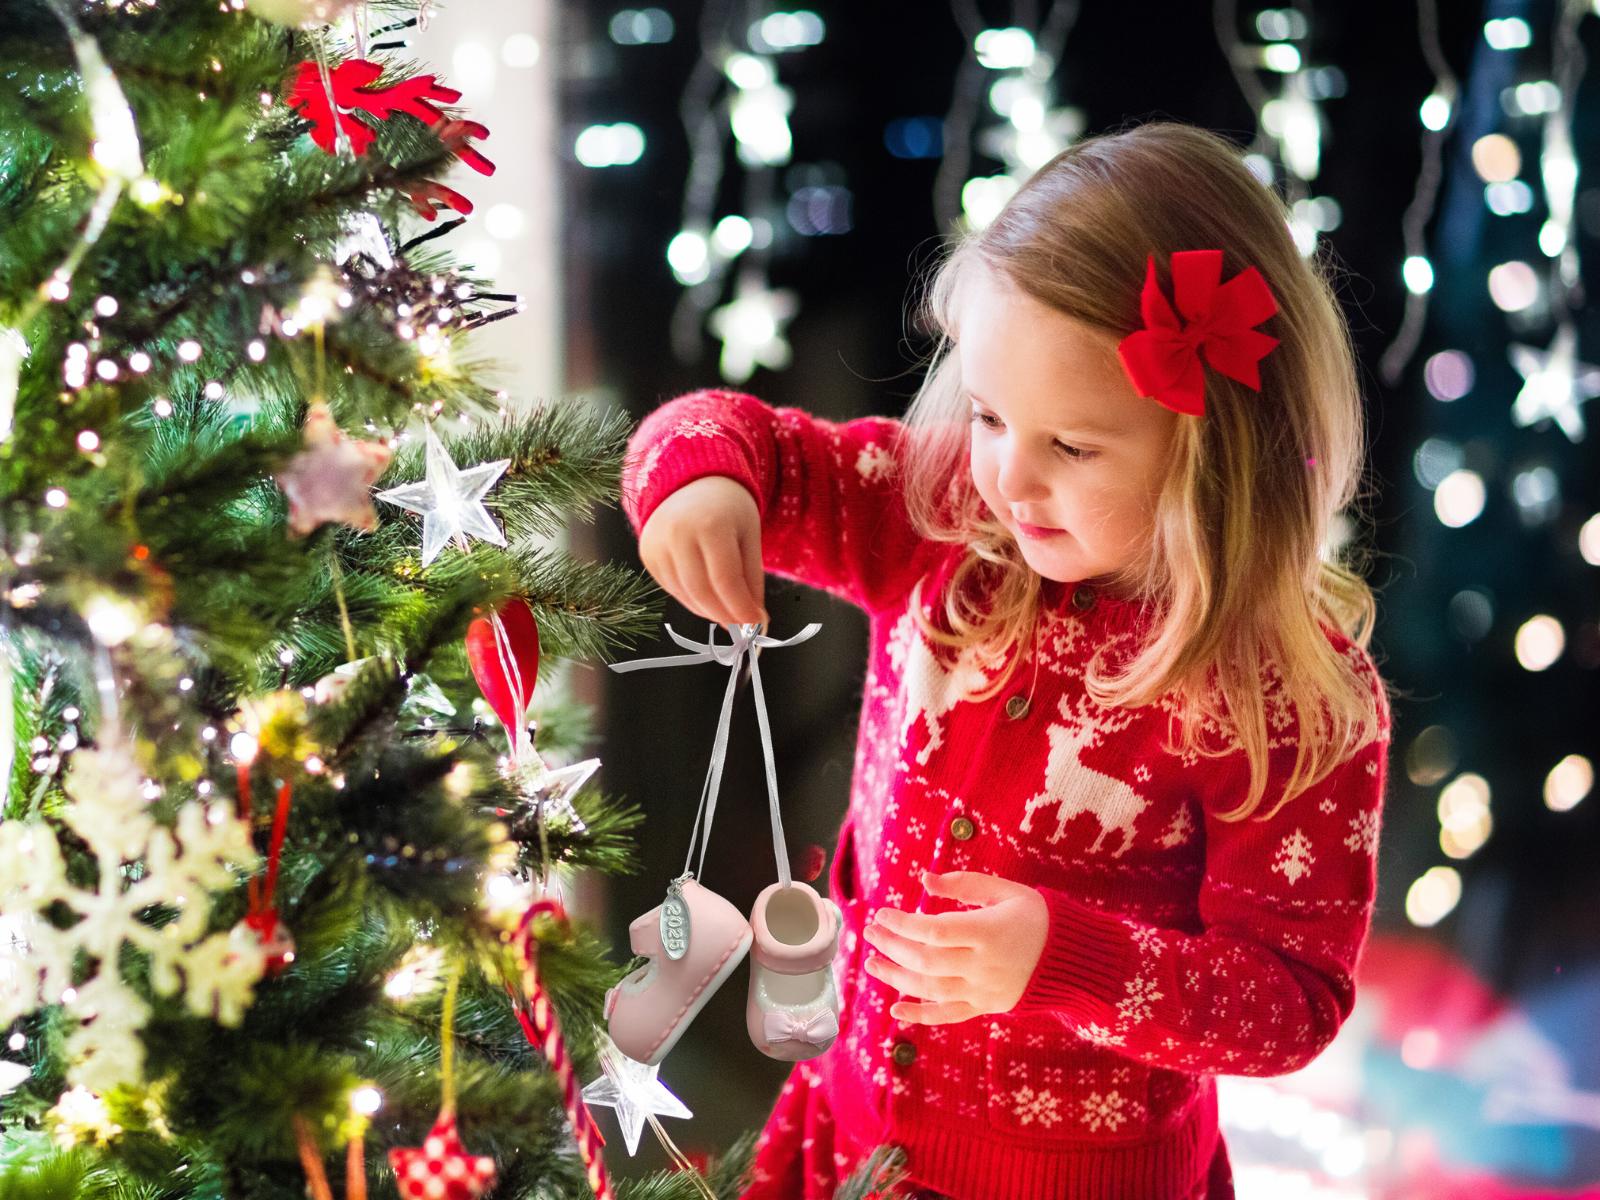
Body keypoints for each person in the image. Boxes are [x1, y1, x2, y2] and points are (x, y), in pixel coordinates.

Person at [617, 120, 1395, 1200]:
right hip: (851, 1135)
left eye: (1070, 447)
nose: (1007, 480)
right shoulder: (940, 527)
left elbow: (1290, 1003)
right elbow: (739, 438)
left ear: (1214, 445)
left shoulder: (1283, 697)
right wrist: (701, 480)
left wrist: (1066, 961)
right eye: (986, 415)